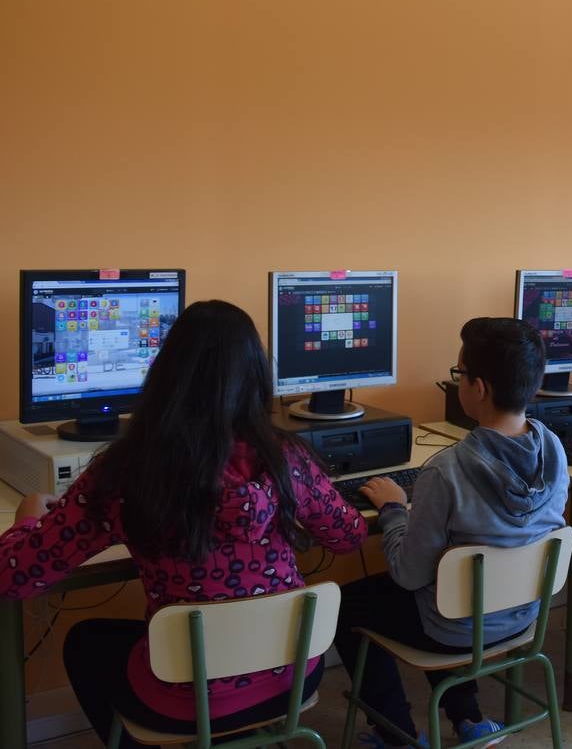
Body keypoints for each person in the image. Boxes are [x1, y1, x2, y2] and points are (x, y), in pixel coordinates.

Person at [0, 300, 367, 746]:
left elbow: (13, 576)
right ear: (255, 376)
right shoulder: (286, 458)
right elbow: (350, 536)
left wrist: (28, 519)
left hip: (185, 697)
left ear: (164, 375)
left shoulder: (129, 472)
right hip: (292, 676)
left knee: (85, 642)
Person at [334, 317, 567, 748]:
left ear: (478, 388)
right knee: (451, 584)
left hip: (456, 626)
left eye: (459, 374)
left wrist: (391, 510)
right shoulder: (553, 448)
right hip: (522, 615)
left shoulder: (445, 471)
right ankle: (469, 720)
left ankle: (396, 734)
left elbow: (408, 574)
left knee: (346, 606)